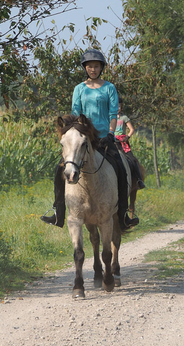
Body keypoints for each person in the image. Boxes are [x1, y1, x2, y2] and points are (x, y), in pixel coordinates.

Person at [41, 49, 140, 230]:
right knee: (60, 169)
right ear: (85, 68)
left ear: (101, 67)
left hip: (104, 138)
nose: (92, 69)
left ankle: (123, 214)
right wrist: (79, 134)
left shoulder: (109, 88)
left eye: (96, 66)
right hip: (84, 138)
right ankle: (58, 212)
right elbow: (76, 112)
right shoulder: (79, 89)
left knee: (121, 166)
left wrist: (111, 133)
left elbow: (112, 113)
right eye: (89, 66)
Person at [114, 96, 146, 190]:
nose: (118, 108)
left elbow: (132, 129)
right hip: (112, 141)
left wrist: (127, 137)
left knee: (133, 159)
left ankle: (139, 180)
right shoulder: (110, 118)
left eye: (120, 106)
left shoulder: (124, 118)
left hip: (122, 142)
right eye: (116, 106)